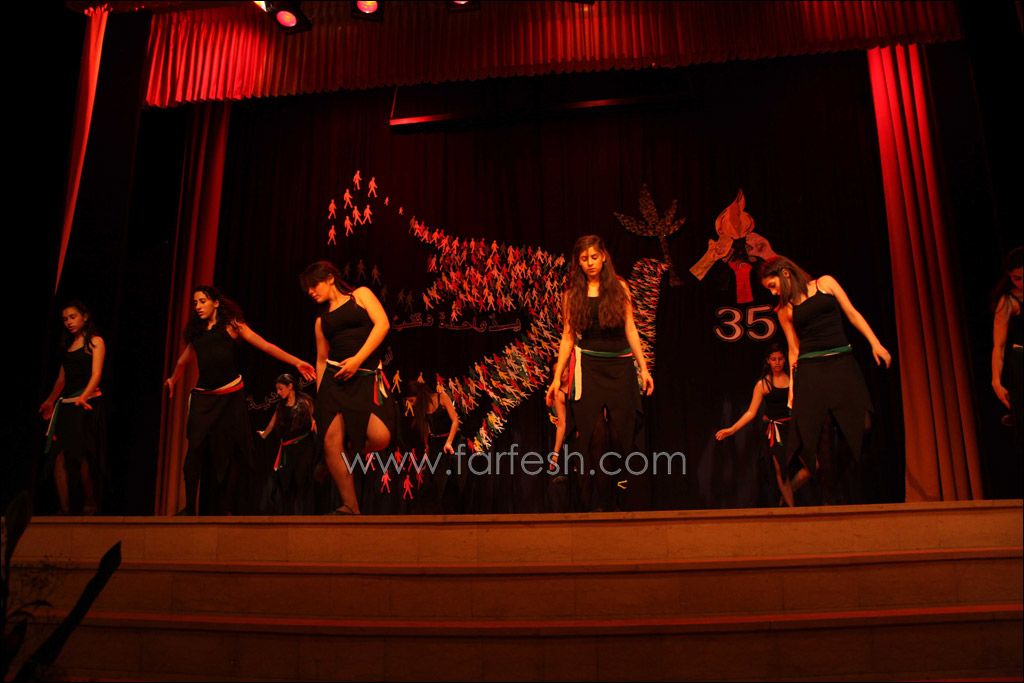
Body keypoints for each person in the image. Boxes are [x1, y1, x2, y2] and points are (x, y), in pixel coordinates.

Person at [165, 286, 315, 515]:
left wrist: (296, 362)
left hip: (230, 395)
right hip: (203, 398)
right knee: (194, 450)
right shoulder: (196, 333)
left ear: (216, 303)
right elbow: (183, 361)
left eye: (203, 301)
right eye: (195, 303)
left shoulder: (232, 325)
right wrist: (172, 380)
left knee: (233, 451)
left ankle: (226, 507)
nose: (198, 306)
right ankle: (189, 508)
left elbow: (266, 346)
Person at [759, 256, 891, 506]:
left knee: (863, 423)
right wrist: (792, 389)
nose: (773, 292)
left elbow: (852, 313)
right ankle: (830, 500)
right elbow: (793, 350)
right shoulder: (785, 309)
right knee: (823, 436)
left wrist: (875, 343)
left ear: (785, 273)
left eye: (773, 285)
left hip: (841, 362)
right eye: (770, 289)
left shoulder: (825, 283)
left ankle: (836, 475)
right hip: (811, 369)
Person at [546, 235, 654, 511]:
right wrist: (557, 378)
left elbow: (631, 328)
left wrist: (644, 368)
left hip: (620, 366)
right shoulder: (572, 294)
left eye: (594, 257)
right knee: (593, 435)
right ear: (578, 262)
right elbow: (568, 336)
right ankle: (599, 501)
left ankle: (618, 491)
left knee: (619, 434)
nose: (590, 263)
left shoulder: (619, 287)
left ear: (603, 256)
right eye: (584, 259)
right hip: (589, 368)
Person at [301, 261, 395, 515]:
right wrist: (320, 400)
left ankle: (342, 454)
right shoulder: (321, 321)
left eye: (314, 285)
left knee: (381, 437)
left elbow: (383, 325)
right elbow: (321, 360)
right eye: (307, 289)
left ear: (330, 278)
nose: (310, 291)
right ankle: (350, 506)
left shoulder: (360, 295)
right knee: (331, 441)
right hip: (335, 382)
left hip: (364, 375)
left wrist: (357, 361)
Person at [39, 301, 106, 514]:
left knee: (81, 454)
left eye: (72, 317)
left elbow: (96, 374)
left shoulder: (95, 342)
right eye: (65, 319)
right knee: (58, 456)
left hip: (86, 403)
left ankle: (89, 503)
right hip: (67, 404)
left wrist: (84, 396)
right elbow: (62, 379)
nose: (68, 322)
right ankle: (66, 508)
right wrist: (50, 400)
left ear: (84, 317)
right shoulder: (68, 346)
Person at [715, 344, 790, 506]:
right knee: (781, 470)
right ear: (768, 361)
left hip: (792, 427)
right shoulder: (763, 384)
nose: (777, 362)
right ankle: (793, 511)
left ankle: (787, 495)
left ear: (785, 359)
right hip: (775, 431)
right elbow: (751, 412)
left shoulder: (793, 379)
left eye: (780, 358)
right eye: (773, 359)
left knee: (814, 465)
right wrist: (732, 429)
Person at [258, 373, 317, 514]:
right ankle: (287, 516)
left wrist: (317, 432)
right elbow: (272, 423)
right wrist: (264, 434)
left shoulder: (305, 402)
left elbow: (313, 421)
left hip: (303, 448)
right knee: (285, 483)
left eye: (280, 389)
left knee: (301, 481)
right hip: (287, 450)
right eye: (277, 389)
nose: (278, 392)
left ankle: (302, 515)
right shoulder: (281, 406)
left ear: (290, 386)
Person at [406, 375, 462, 513]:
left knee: (451, 479)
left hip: (451, 441)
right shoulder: (421, 408)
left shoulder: (441, 397)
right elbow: (427, 429)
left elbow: (455, 421)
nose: (412, 404)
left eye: (412, 400)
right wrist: (427, 450)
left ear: (419, 395)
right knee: (431, 481)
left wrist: (448, 442)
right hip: (435, 443)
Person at [991, 246, 1023, 450]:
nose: (1022, 283)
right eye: (1017, 278)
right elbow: (999, 346)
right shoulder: (1009, 302)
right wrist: (996, 380)